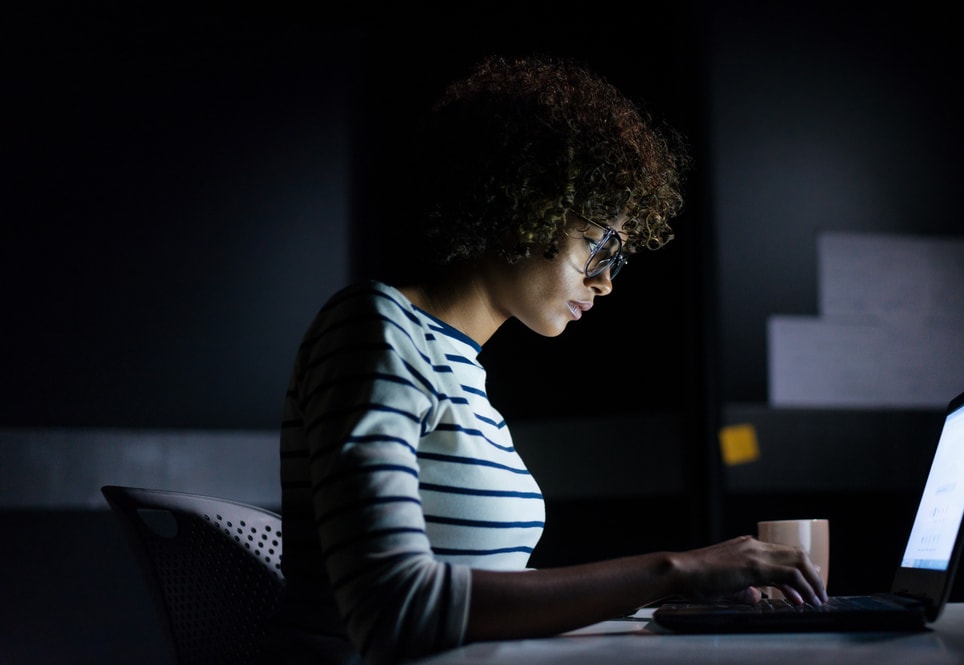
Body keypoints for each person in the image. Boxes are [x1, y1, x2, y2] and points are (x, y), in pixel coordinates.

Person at [258, 54, 827, 665]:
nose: (606, 282)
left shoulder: (461, 372)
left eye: (618, 256)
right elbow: (393, 608)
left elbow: (479, 583)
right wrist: (675, 569)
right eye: (599, 244)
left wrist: (673, 598)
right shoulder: (374, 327)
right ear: (527, 208)